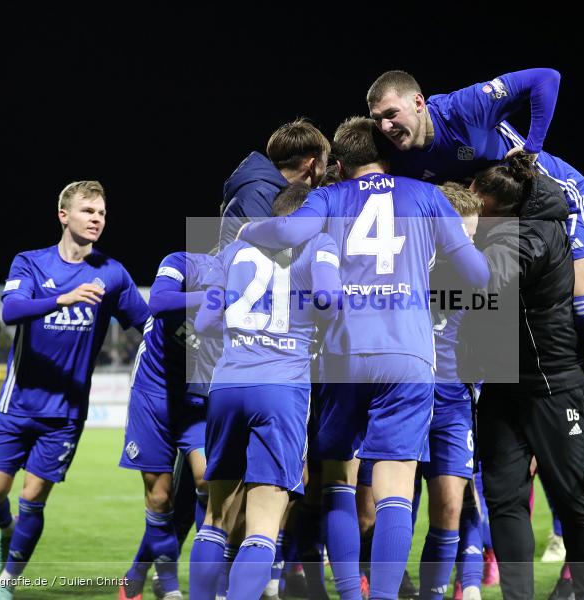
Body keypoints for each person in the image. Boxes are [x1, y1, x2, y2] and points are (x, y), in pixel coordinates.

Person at [238, 116, 489, 599]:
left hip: (344, 354)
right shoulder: (426, 196)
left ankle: (351, 594)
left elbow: (288, 234)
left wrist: (247, 231)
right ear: (389, 157)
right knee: (395, 488)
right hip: (408, 355)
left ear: (340, 163)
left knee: (339, 482)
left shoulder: (330, 197)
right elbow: (477, 275)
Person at [367, 69, 584, 487]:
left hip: (554, 198)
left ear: (418, 102)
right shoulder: (397, 154)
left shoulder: (463, 109)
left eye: (391, 114)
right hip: (501, 223)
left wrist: (532, 148)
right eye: (378, 119)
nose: (385, 126)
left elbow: (547, 78)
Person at [0, 181, 150, 600]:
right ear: (64, 215)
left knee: (33, 498)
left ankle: (6, 584)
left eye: (102, 213)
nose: (97, 219)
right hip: (17, 405)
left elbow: (147, 324)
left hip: (66, 414)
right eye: (88, 211)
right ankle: (5, 529)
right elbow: (11, 311)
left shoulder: (113, 273)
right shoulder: (31, 263)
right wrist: (62, 299)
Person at [458, 157, 584, 600]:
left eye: (476, 199)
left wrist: (452, 244)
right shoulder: (509, 228)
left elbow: (493, 277)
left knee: (575, 501)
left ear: (498, 204)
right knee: (505, 503)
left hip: (556, 387)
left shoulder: (536, 234)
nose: (469, 205)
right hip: (504, 389)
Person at [190, 183, 342, 600]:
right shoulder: (320, 242)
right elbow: (329, 298)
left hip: (227, 384)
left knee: (215, 520)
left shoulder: (232, 251)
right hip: (281, 388)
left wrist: (243, 335)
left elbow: (204, 323)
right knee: (262, 527)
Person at [117, 251, 219, 600]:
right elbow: (158, 302)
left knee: (206, 479)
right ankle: (169, 587)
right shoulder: (180, 262)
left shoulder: (247, 290)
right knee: (160, 497)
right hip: (153, 396)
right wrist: (210, 297)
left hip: (196, 401)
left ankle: (209, 585)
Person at [419, 182, 483, 600]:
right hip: (401, 397)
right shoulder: (404, 266)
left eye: (473, 238)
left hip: (452, 402)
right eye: (462, 238)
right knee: (376, 510)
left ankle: (437, 592)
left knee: (450, 505)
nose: (468, 248)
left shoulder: (479, 279)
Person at [219, 119, 331, 249]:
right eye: (326, 163)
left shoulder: (268, 189)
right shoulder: (257, 194)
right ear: (312, 165)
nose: (326, 170)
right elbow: (277, 254)